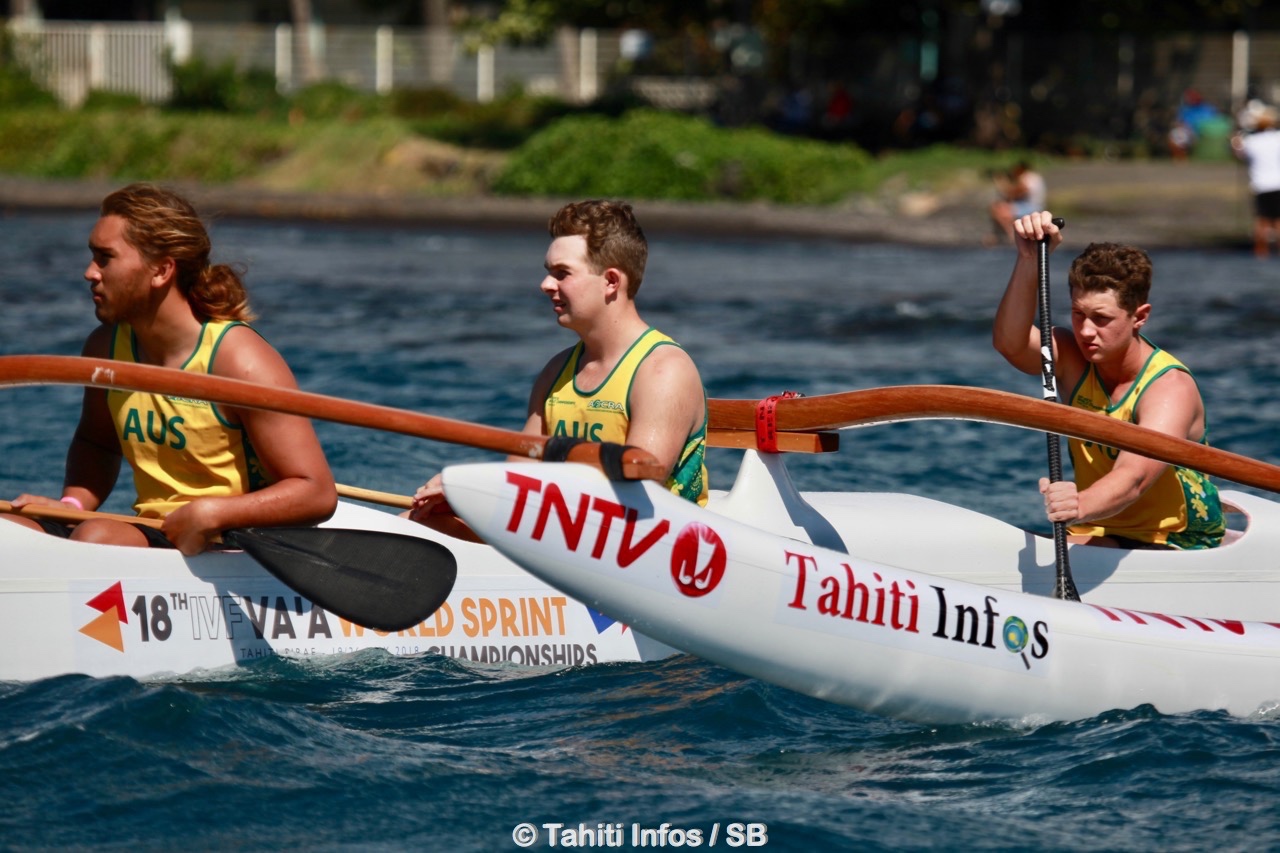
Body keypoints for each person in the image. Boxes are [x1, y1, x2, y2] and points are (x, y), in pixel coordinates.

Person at [2, 183, 337, 555]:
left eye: (105, 258)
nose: (89, 273)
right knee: (8, 528)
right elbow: (97, 443)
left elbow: (315, 491)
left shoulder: (240, 361)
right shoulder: (105, 348)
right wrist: (72, 505)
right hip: (156, 531)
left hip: (233, 539)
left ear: (161, 270)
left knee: (95, 538)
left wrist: (213, 513)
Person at [408, 199, 708, 538]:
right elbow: (519, 477)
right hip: (568, 533)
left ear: (611, 281)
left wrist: (473, 491)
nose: (545, 284)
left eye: (562, 273)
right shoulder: (556, 371)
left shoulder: (663, 371)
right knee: (416, 520)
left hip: (648, 545)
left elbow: (637, 489)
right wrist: (464, 496)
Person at [992, 212, 1224, 550]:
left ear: (1139, 317)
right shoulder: (1072, 357)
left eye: (1101, 319)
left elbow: (1133, 479)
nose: (1086, 331)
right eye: (1078, 314)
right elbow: (1010, 344)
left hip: (1176, 540)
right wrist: (1029, 259)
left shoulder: (1168, 388)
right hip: (1100, 527)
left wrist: (1078, 504)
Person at [1230, 105, 1280, 259]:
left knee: (1262, 220)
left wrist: (1235, 141)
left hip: (1260, 185)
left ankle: (1260, 252)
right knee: (1278, 221)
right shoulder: (1278, 138)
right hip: (1277, 184)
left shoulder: (1251, 141)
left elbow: (1239, 154)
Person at [987, 161, 1046, 245]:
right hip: (1034, 205)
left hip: (1031, 206)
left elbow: (1019, 191)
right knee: (1000, 208)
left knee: (999, 211)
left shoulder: (1026, 178)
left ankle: (1010, 234)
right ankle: (1002, 235)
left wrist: (1003, 186)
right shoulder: (1034, 177)